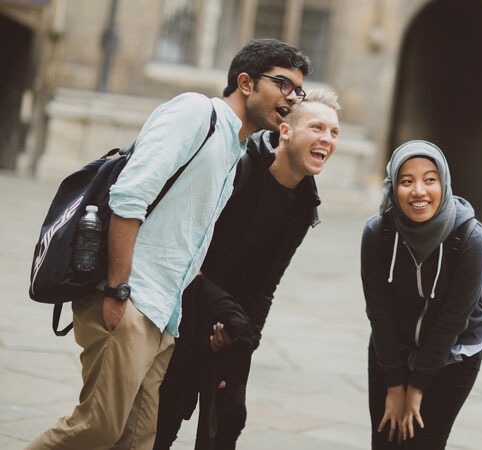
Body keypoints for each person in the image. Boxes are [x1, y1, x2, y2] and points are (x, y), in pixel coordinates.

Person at [26, 38, 309, 450]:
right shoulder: (196, 113)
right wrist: (118, 290)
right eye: (283, 84)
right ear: (246, 82)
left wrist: (176, 321)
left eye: (297, 91)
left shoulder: (236, 150)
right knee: (97, 427)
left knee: (137, 440)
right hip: (130, 298)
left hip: (163, 316)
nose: (292, 98)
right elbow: (129, 197)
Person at [153, 89, 340, 449]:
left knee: (228, 420)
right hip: (182, 312)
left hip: (233, 326)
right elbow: (191, 256)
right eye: (317, 127)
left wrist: (242, 345)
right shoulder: (239, 167)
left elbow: (267, 285)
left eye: (333, 132)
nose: (327, 139)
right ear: (285, 130)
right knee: (164, 418)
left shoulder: (305, 203)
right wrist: (227, 316)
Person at [361, 141, 482, 449]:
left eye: (430, 179)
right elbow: (379, 313)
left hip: (455, 354)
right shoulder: (378, 233)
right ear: (394, 188)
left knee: (425, 443)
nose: (419, 190)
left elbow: (453, 320)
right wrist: (394, 385)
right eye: (407, 181)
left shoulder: (470, 239)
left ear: (443, 183)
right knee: (385, 440)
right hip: (393, 348)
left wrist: (416, 387)